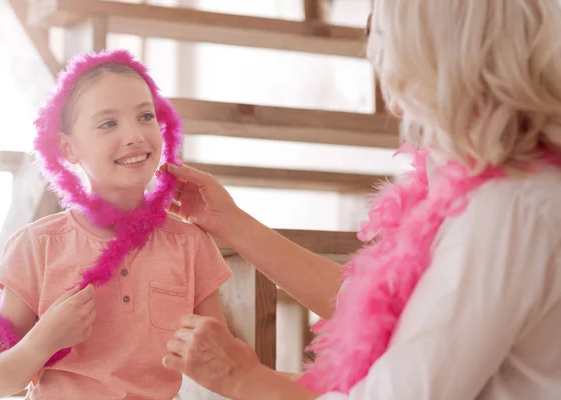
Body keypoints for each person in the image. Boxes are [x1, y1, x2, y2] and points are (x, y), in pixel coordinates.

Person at [159, 0, 561, 399]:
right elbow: (374, 305)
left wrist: (243, 379)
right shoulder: (482, 183)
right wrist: (229, 221)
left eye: (386, 34)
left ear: (439, 56)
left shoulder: (509, 209)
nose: (375, 51)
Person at [0, 50, 232, 399]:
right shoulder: (37, 245)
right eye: (108, 123)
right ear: (69, 148)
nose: (135, 135)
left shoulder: (190, 245)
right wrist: (44, 339)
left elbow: (221, 366)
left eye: (145, 116)